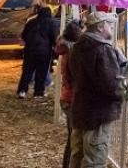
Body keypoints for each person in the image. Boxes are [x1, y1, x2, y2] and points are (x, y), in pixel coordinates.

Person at [68, 10, 125, 168]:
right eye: (109, 25)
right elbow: (111, 85)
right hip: (97, 113)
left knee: (77, 155)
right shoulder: (103, 49)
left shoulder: (76, 47)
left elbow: (73, 73)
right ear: (100, 27)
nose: (112, 29)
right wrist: (122, 93)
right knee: (95, 159)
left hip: (81, 109)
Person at [56, 19, 83, 168]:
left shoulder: (66, 48)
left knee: (73, 138)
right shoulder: (72, 52)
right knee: (74, 140)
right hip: (72, 98)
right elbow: (76, 77)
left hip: (67, 97)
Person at [16, 5, 58, 99]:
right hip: (44, 51)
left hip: (29, 50)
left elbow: (24, 36)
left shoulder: (31, 22)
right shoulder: (52, 23)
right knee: (41, 72)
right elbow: (54, 38)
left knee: (27, 71)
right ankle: (38, 93)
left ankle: (22, 91)